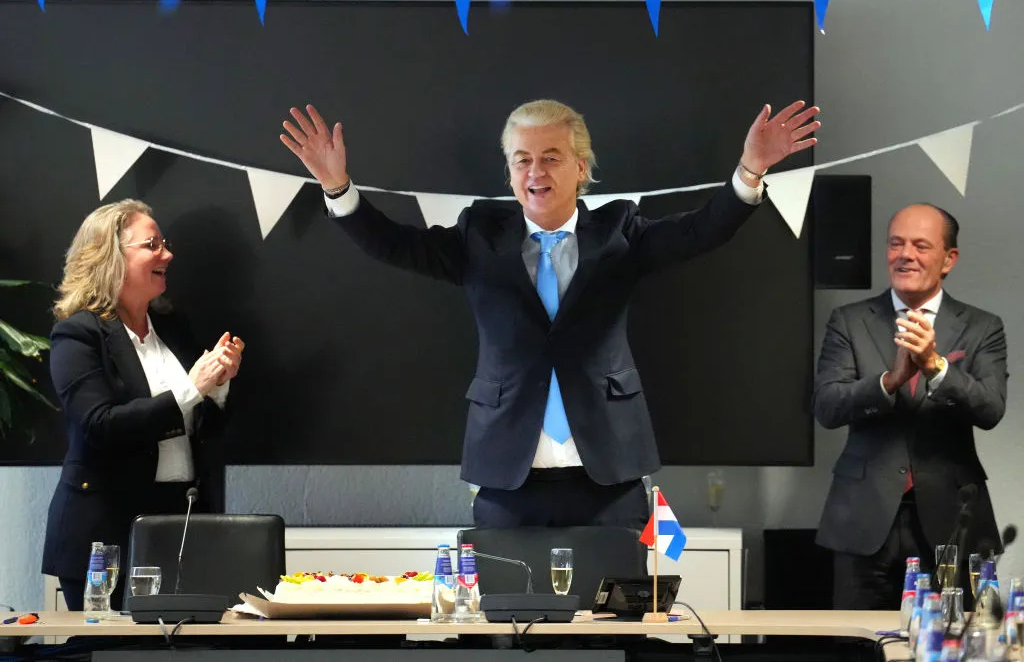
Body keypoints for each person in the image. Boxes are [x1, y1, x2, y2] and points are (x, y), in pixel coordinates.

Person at [281, 98, 819, 529]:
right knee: (509, 632)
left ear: (581, 166)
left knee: (614, 632)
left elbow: (702, 230)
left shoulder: (619, 232)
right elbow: (395, 245)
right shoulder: (479, 234)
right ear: (511, 172)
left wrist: (751, 170)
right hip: (507, 480)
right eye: (522, 159)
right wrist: (337, 187)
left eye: (551, 157)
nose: (535, 170)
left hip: (608, 478)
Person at [41, 199, 245, 610]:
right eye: (152, 245)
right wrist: (193, 388)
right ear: (110, 257)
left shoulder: (173, 327)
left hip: (182, 525)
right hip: (108, 531)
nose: (167, 254)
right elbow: (99, 426)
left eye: (164, 243)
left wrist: (217, 386)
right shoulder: (77, 334)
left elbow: (201, 431)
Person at [814, 203, 1007, 610]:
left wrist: (936, 366)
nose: (906, 254)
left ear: (948, 259)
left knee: (952, 644)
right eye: (896, 243)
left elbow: (990, 409)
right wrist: (890, 380)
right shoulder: (849, 321)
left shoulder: (982, 327)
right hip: (862, 517)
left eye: (921, 245)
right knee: (856, 647)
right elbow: (828, 407)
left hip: (952, 518)